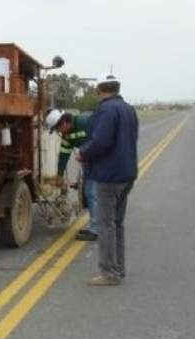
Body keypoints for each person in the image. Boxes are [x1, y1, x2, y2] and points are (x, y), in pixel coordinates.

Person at [76, 75, 139, 286]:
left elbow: (101, 141)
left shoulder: (105, 110)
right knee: (117, 224)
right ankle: (118, 269)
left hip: (108, 176)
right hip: (126, 174)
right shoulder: (129, 109)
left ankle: (109, 273)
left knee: (105, 226)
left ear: (99, 91)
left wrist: (83, 153)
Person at [45, 109, 99, 241]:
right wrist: (59, 175)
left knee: (92, 193)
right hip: (89, 161)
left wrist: (85, 153)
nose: (58, 133)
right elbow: (63, 155)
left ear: (63, 123)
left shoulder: (85, 122)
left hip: (99, 160)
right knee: (90, 192)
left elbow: (99, 141)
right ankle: (96, 225)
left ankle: (95, 229)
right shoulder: (67, 136)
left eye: (57, 129)